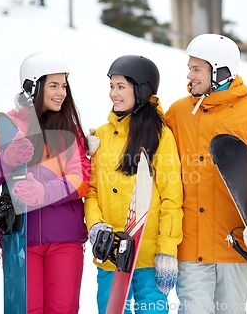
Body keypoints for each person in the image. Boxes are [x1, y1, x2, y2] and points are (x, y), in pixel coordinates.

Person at [164, 34, 247, 314]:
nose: (189, 75)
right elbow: (152, 155)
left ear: (220, 71)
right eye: (190, 67)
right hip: (190, 247)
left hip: (233, 246)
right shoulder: (178, 112)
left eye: (196, 69)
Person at [0, 52, 90, 313]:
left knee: (63, 308)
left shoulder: (69, 129)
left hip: (65, 238)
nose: (61, 93)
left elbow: (81, 178)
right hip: (22, 239)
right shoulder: (5, 125)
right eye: (53, 85)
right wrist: (6, 159)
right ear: (32, 86)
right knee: (27, 308)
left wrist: (45, 191)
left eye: (64, 86)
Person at [84, 55, 184, 313]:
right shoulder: (102, 136)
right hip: (110, 252)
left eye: (121, 87)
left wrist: (166, 250)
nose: (113, 94)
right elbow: (92, 191)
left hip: (148, 255)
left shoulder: (160, 136)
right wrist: (95, 225)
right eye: (112, 86)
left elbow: (172, 198)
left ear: (141, 90)